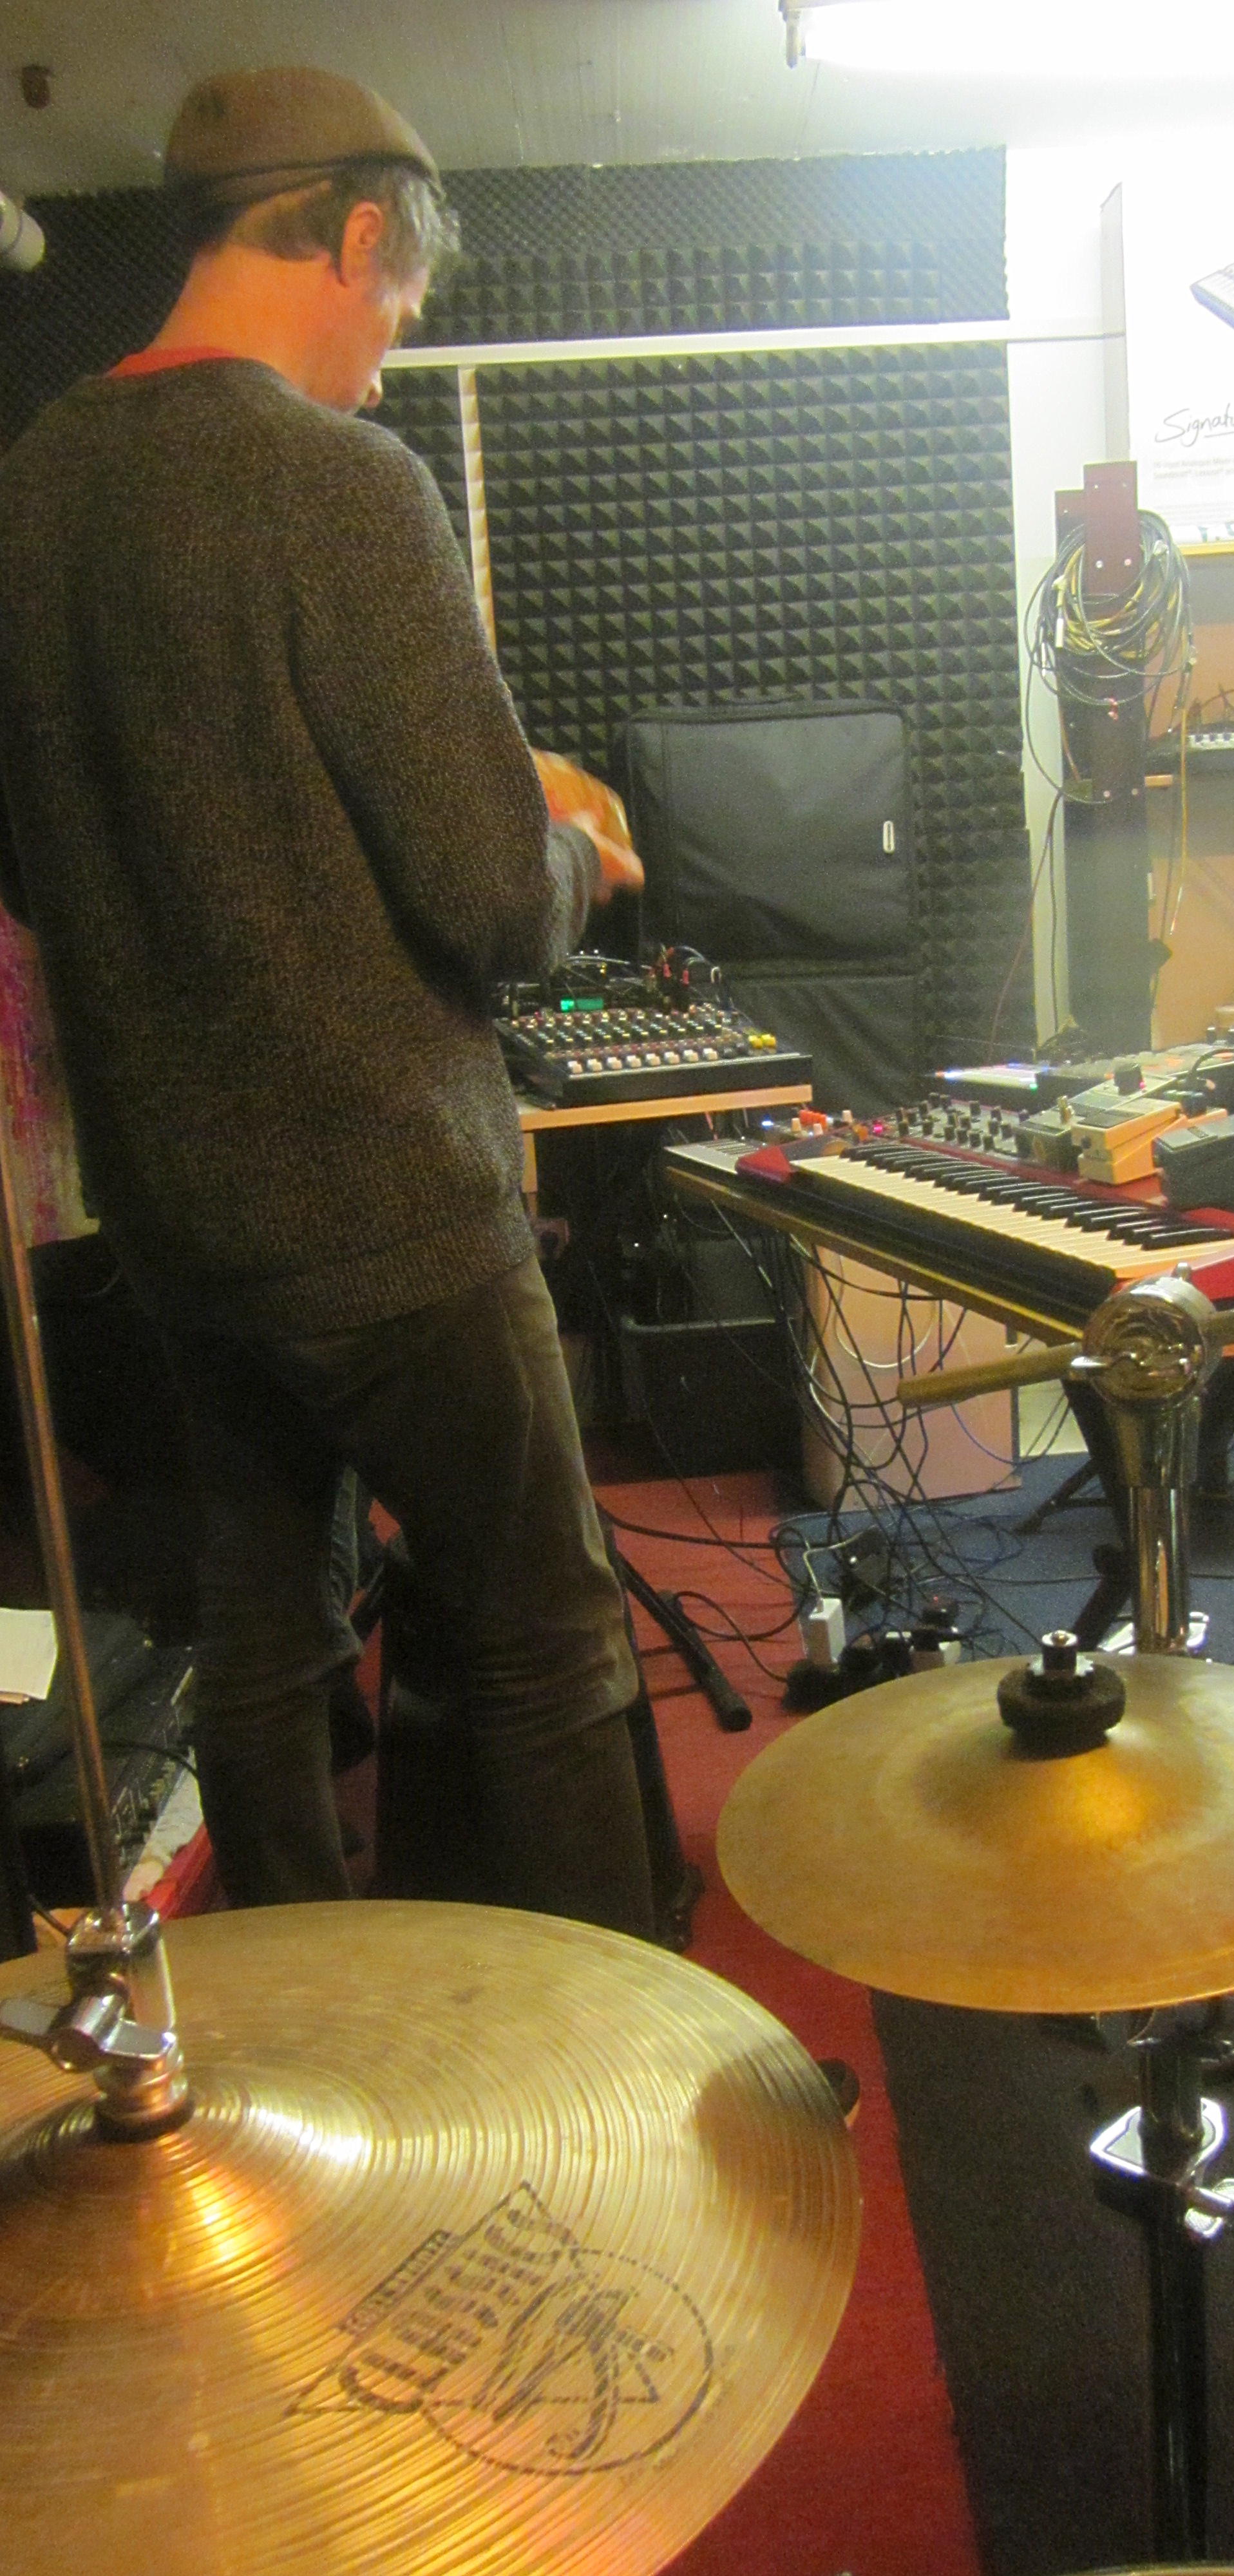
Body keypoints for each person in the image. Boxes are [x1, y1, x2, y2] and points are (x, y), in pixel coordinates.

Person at [0, 66, 656, 1929]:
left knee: (264, 1644)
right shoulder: (341, 484)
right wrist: (569, 845)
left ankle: (294, 2047)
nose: (385, 359)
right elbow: (489, 903)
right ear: (359, 237)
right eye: (402, 308)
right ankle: (631, 2068)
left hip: (179, 1224)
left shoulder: (29, 492)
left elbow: (39, 873)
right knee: (546, 1642)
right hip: (389, 1211)